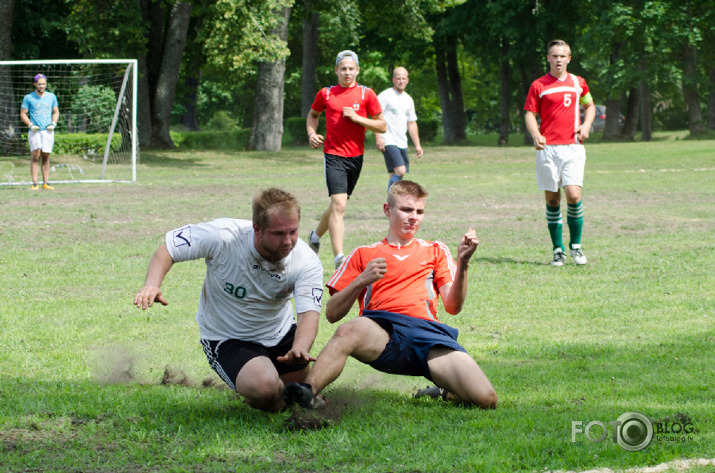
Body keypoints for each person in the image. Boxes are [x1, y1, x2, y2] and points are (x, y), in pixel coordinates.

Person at [282, 180, 497, 409]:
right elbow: (332, 314)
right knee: (348, 330)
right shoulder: (363, 253)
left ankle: (445, 391)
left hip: (426, 335)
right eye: (406, 209)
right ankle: (308, 392)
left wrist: (463, 263)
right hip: (381, 332)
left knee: (486, 399)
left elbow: (453, 307)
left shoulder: (435, 250)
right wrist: (361, 280)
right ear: (387, 210)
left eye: (419, 211)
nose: (413, 216)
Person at [133, 188, 324, 412]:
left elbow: (309, 313)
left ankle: (283, 394)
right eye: (279, 233)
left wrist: (299, 348)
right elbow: (169, 249)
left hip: (280, 334)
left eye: (293, 231)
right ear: (257, 229)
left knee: (293, 395)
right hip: (229, 339)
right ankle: (265, 390)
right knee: (266, 390)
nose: (288, 241)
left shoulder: (306, 260)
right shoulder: (223, 236)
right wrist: (152, 284)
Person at [306, 50, 386, 269]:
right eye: (343, 68)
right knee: (339, 205)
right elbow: (313, 115)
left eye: (351, 68)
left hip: (356, 157)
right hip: (333, 155)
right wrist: (312, 134)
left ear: (357, 70)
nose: (347, 72)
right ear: (336, 70)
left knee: (337, 205)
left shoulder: (366, 94)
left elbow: (382, 125)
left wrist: (358, 118)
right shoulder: (326, 94)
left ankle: (314, 236)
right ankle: (339, 258)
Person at [524, 39, 595, 266]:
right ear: (548, 58)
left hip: (573, 147)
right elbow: (529, 114)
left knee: (574, 195)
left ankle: (576, 246)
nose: (558, 60)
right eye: (554, 56)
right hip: (548, 149)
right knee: (553, 199)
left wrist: (585, 126)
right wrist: (536, 134)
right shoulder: (539, 85)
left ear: (569, 59)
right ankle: (558, 250)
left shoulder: (578, 83)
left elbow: (590, 106)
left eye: (562, 56)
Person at [375, 67, 423, 191]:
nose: (401, 81)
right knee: (400, 170)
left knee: (395, 173)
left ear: (407, 80)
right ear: (393, 80)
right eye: (398, 78)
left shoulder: (408, 99)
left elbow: (411, 123)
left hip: (402, 141)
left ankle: (391, 204)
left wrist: (417, 145)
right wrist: (379, 137)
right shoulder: (385, 96)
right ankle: (390, 201)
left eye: (403, 78)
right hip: (388, 139)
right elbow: (375, 116)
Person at [20, 73, 59, 191]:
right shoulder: (28, 98)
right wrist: (30, 125)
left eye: (43, 84)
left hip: (47, 131)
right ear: (35, 84)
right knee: (35, 155)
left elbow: (55, 111)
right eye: (39, 84)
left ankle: (46, 183)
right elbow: (23, 113)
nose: (41, 86)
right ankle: (35, 183)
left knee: (46, 156)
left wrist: (53, 123)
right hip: (35, 131)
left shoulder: (51, 96)